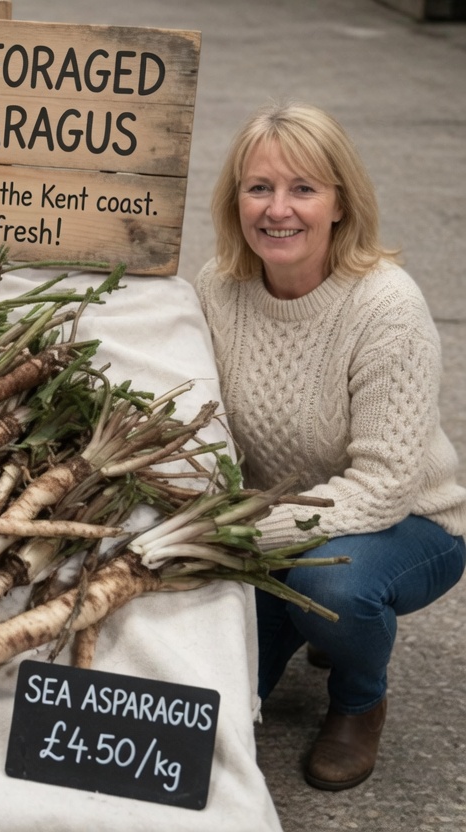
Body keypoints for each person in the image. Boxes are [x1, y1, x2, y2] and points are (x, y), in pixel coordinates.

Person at [195, 100, 466, 791]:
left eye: (303, 189)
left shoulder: (387, 308)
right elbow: (201, 425)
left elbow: (382, 486)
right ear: (236, 200)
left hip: (409, 521)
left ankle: (358, 698)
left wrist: (244, 537)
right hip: (279, 524)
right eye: (259, 187)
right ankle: (300, 618)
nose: (277, 209)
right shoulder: (218, 290)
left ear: (340, 203)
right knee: (212, 681)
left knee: (332, 587)